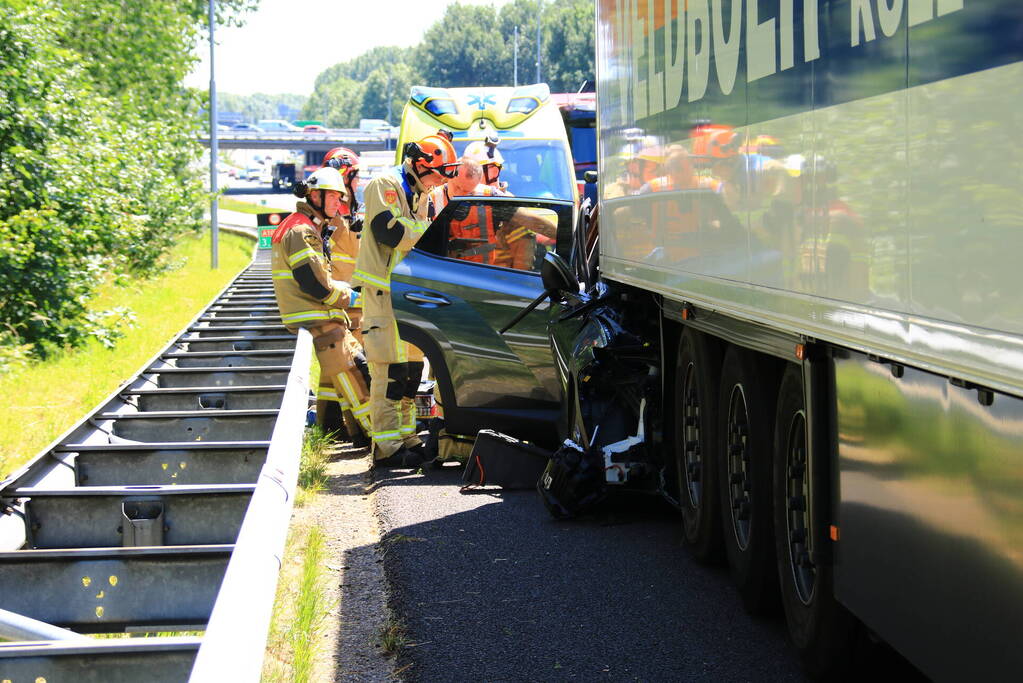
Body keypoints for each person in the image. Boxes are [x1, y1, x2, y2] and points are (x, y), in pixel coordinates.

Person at [353, 131, 458, 469]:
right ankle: (386, 447)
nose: (438, 182)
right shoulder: (384, 184)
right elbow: (390, 232)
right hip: (382, 290)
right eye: (436, 174)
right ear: (418, 163)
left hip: (406, 294)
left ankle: (407, 437)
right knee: (389, 369)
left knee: (411, 371)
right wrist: (426, 231)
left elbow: (414, 236)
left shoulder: (421, 193)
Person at [269, 167, 371, 442]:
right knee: (357, 374)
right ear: (315, 196)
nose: (340, 204)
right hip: (317, 317)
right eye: (335, 198)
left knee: (337, 379)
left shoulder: (304, 225)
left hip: (320, 316)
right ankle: (382, 440)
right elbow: (315, 284)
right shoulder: (302, 230)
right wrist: (353, 298)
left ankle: (340, 433)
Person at [318, 147, 371, 446]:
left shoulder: (350, 211)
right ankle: (348, 430)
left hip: (354, 299)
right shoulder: (331, 217)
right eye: (356, 176)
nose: (359, 182)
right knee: (347, 369)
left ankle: (337, 430)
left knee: (339, 371)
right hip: (342, 301)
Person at [461, 140, 556, 270]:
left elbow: (523, 253)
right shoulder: (459, 197)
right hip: (469, 275)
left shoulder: (500, 200)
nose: (495, 176)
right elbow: (532, 221)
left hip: (497, 279)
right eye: (491, 171)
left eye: (496, 170)